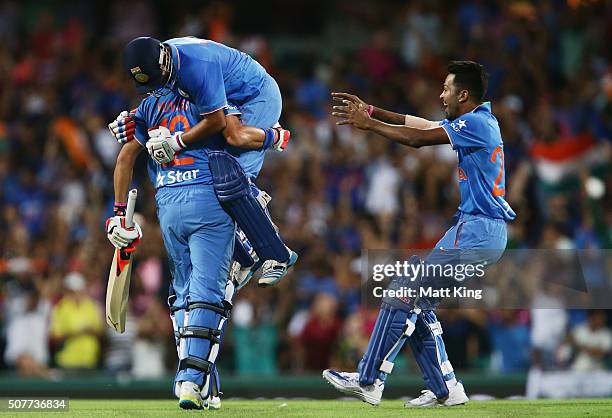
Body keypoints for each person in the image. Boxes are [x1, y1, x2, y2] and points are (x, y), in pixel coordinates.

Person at [323, 61, 516, 408]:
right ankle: (446, 388)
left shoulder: (475, 122)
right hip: (473, 228)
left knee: (403, 290)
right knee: (415, 295)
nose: (441, 94)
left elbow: (416, 139)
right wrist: (371, 110)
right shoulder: (478, 122)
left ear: (464, 93)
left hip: (478, 230)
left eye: (446, 88)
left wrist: (370, 125)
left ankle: (369, 379)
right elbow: (423, 125)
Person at [106, 87, 256, 410]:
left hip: (168, 206)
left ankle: (205, 385)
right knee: (211, 292)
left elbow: (124, 158)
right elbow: (238, 136)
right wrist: (274, 137)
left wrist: (119, 216)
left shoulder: (149, 106)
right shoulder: (210, 94)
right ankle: (190, 379)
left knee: (184, 294)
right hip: (209, 199)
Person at [108, 36, 297, 287]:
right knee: (209, 176)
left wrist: (176, 143)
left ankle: (276, 254)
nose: (154, 90)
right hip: (221, 95)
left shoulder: (196, 65)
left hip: (253, 94)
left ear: (164, 65)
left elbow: (217, 122)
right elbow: (128, 154)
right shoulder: (160, 58)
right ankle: (244, 256)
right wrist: (133, 119)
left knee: (231, 161)